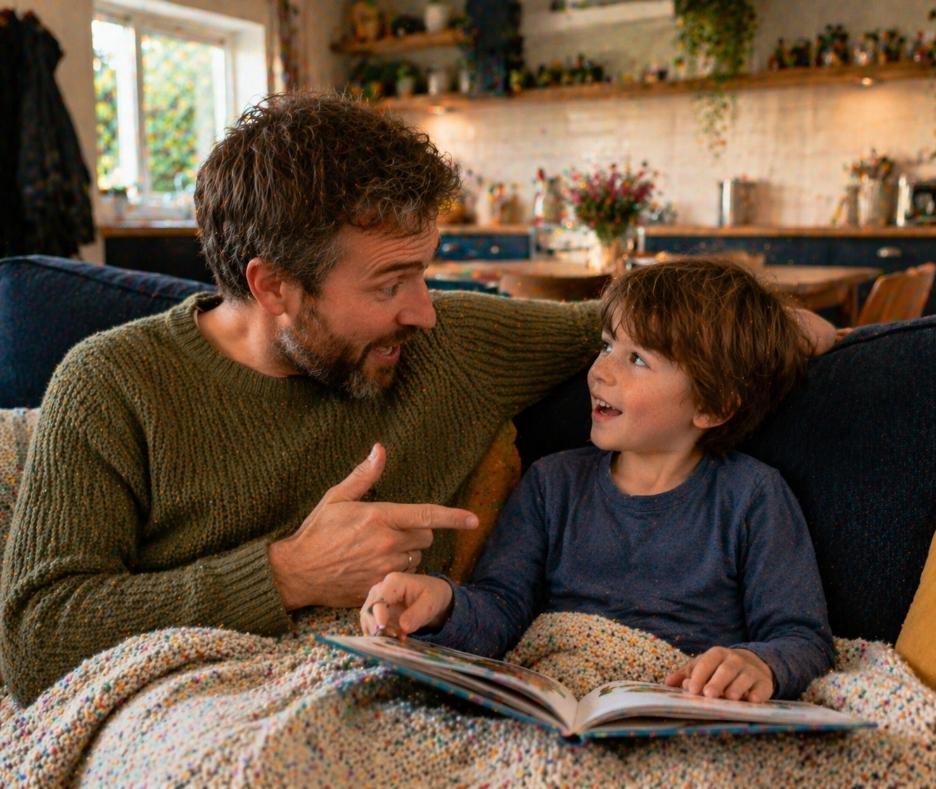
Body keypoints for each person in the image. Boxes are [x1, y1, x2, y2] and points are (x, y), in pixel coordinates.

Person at [0, 93, 836, 706]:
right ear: (275, 286)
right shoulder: (111, 383)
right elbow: (36, 638)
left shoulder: (455, 345)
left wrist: (789, 324)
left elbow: (644, 330)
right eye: (390, 282)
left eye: (425, 272)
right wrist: (287, 572)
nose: (426, 311)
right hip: (188, 704)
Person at [361, 258, 836, 702]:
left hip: (675, 703)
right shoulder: (552, 483)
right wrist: (442, 602)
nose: (599, 371)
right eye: (608, 346)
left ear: (713, 407)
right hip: (553, 692)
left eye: (637, 360)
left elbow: (803, 639)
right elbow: (500, 609)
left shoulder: (752, 496)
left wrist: (758, 663)